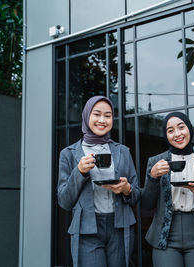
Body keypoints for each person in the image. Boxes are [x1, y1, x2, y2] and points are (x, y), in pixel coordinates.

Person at [57, 96, 140, 267]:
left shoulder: (122, 151)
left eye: (108, 116)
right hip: (87, 230)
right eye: (97, 114)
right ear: (87, 116)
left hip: (120, 226)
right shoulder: (69, 153)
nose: (102, 120)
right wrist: (79, 171)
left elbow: (137, 194)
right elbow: (64, 201)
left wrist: (126, 189)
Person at [142, 112, 194, 267]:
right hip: (165, 234)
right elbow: (146, 204)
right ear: (166, 135)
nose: (177, 134)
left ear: (189, 128)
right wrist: (152, 177)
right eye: (170, 130)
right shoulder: (156, 162)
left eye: (181, 127)